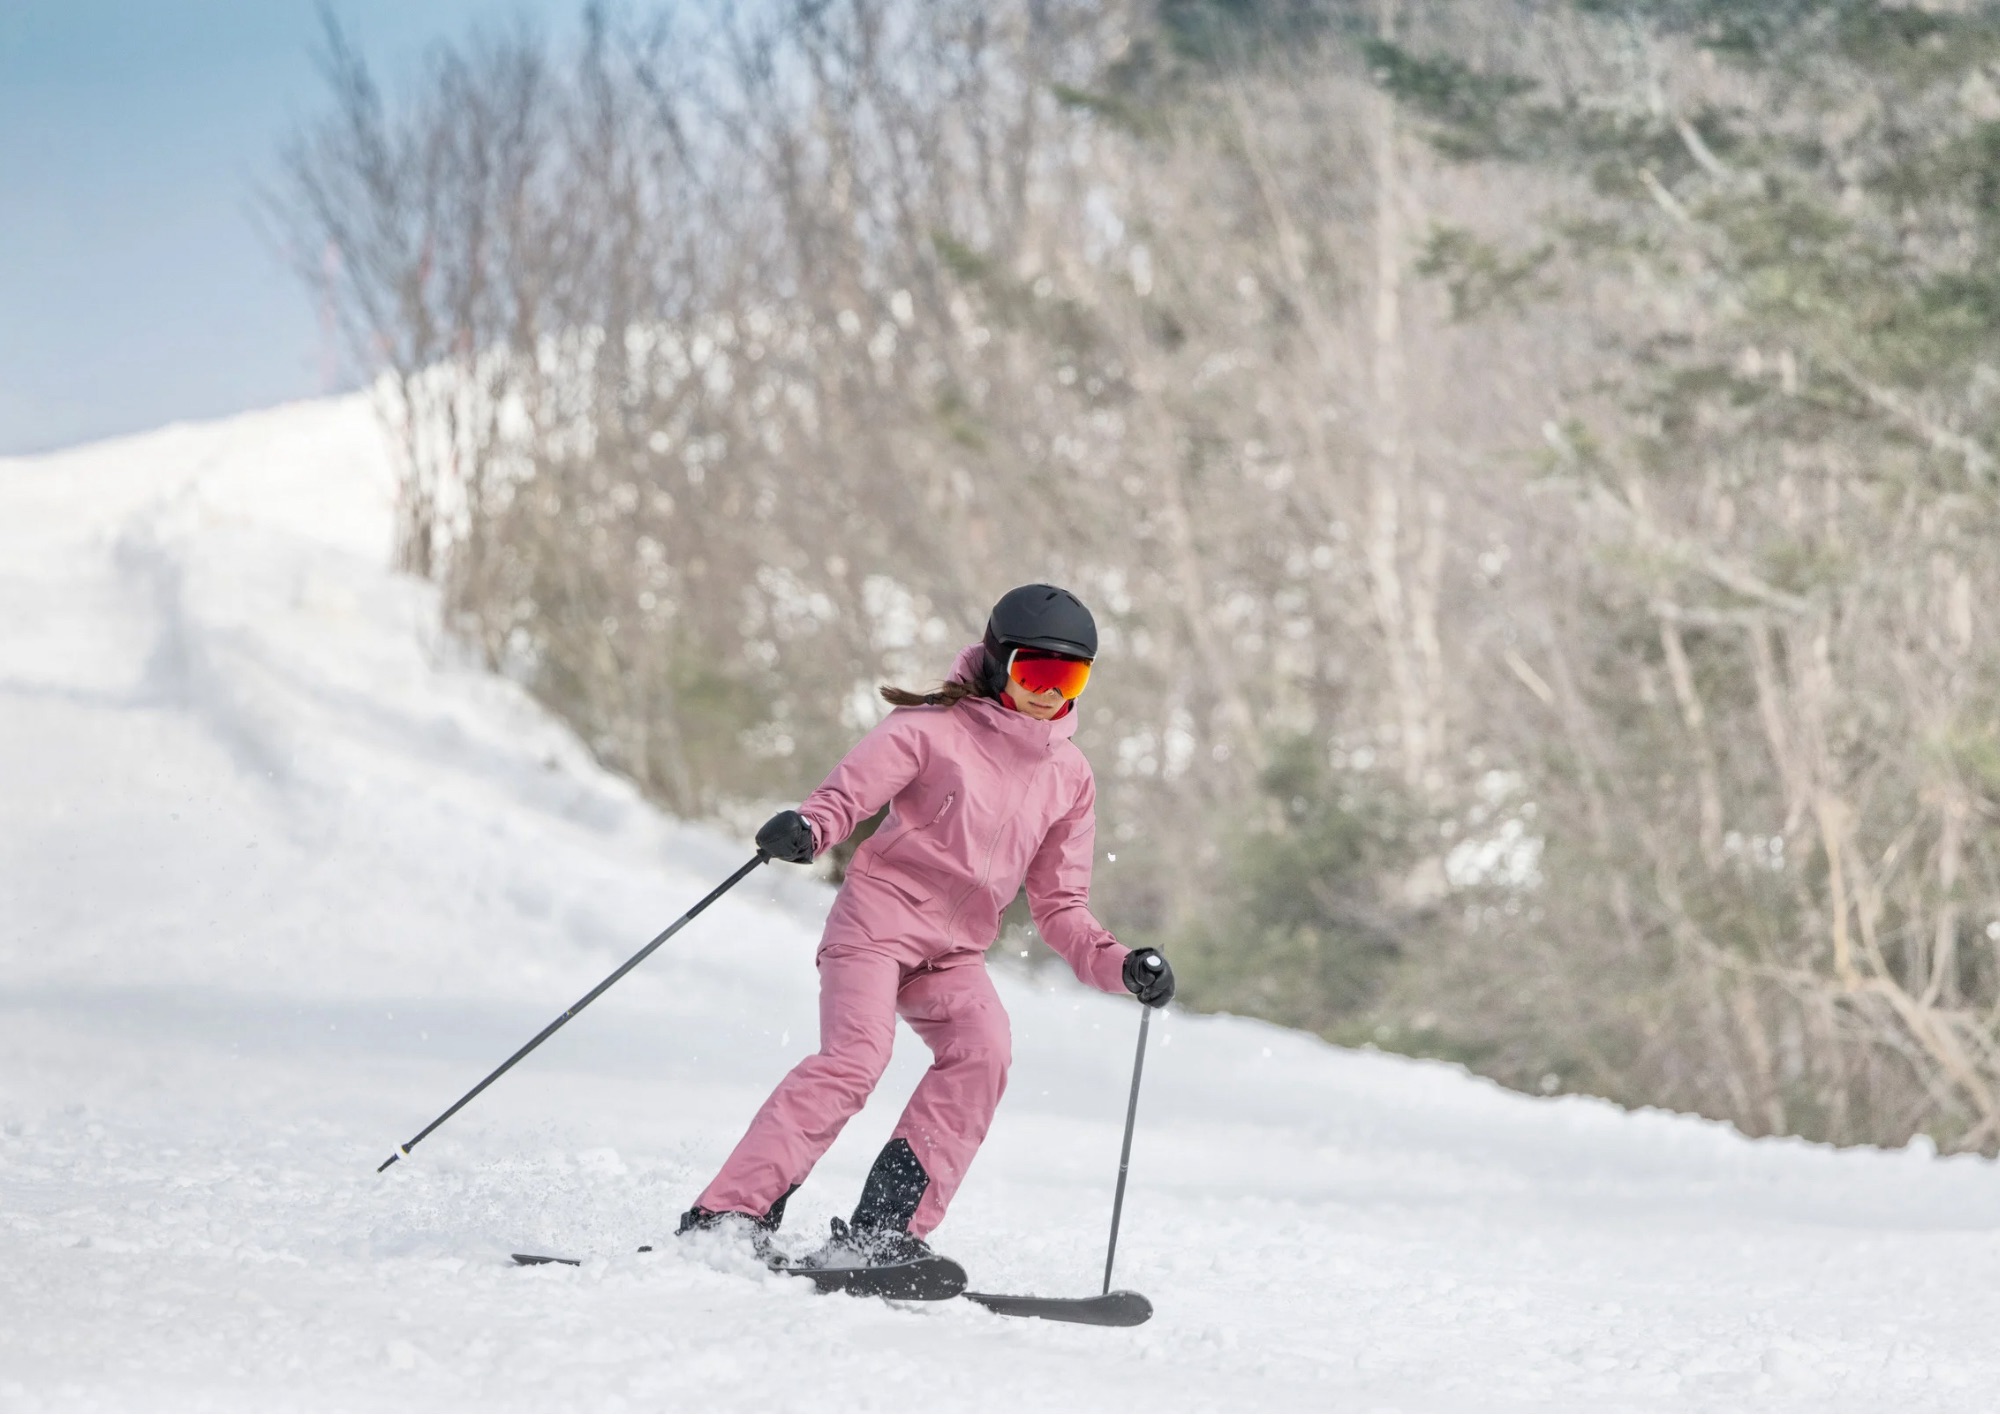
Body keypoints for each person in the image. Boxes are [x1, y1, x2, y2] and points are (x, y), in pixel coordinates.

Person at [678, 583, 1175, 1266]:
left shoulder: (1069, 776)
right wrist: (809, 828)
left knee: (984, 1050)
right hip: (875, 926)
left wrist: (1121, 964)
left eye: (1070, 678)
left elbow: (1061, 905)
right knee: (856, 1059)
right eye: (1035, 671)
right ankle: (728, 1216)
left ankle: (884, 1233)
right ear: (999, 662)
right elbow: (846, 795)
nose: (1049, 692)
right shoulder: (930, 729)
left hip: (953, 954)